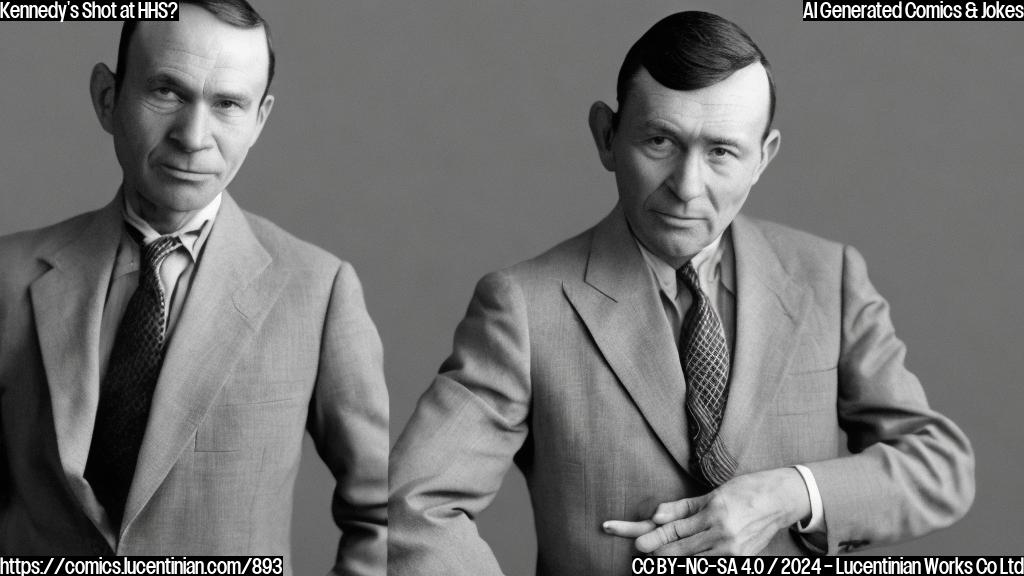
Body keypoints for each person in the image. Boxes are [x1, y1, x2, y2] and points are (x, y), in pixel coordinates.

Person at [388, 10, 973, 574]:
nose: (687, 187)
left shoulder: (829, 278)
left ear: (763, 157)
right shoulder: (524, 306)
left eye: (722, 152)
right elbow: (414, 506)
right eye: (660, 142)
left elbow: (938, 468)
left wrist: (792, 492)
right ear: (607, 136)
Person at [0, 2, 387, 574]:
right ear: (108, 97)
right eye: (167, 91)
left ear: (260, 119)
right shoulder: (8, 276)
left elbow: (382, 513)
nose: (193, 136)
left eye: (228, 104)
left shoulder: (318, 291)